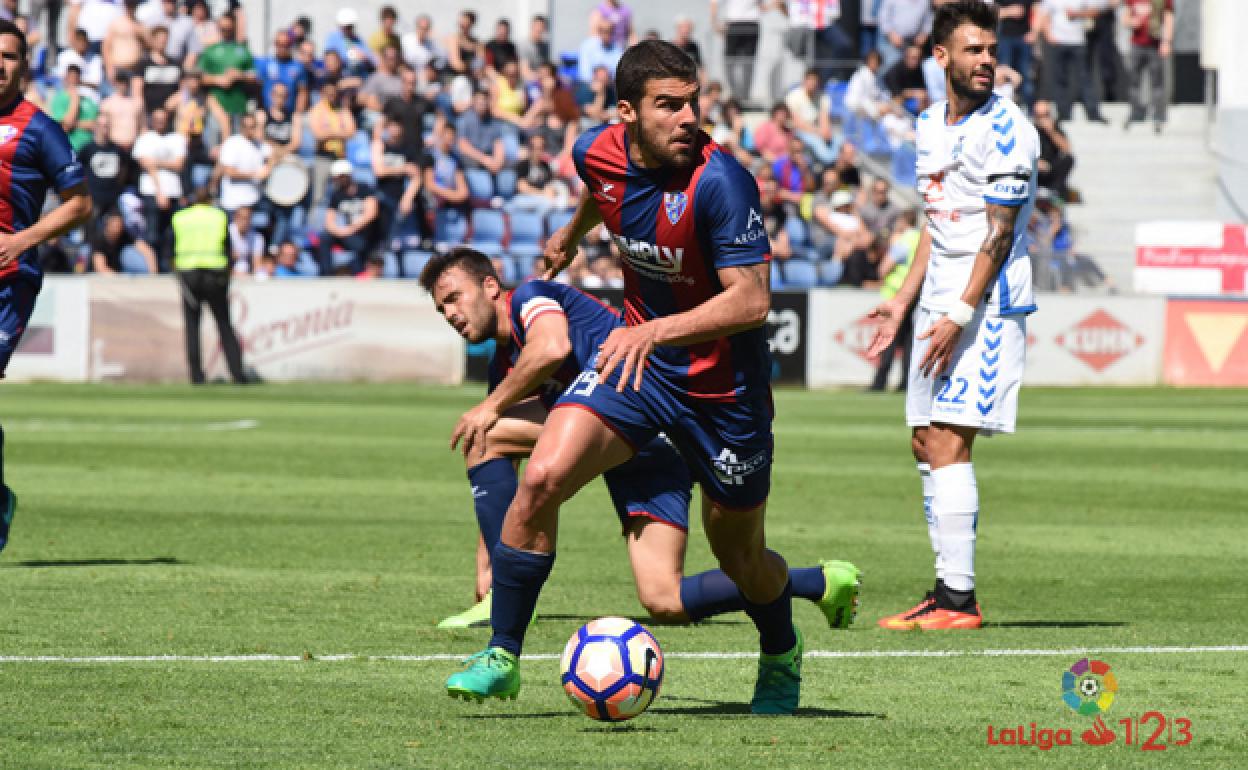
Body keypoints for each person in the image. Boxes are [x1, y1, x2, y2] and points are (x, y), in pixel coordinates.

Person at [446, 41, 806, 715]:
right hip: (640, 369)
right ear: (627, 113)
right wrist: (571, 232)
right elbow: (602, 189)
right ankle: (502, 655)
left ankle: (782, 649)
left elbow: (752, 301)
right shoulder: (595, 150)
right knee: (543, 477)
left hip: (724, 394)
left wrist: (651, 331)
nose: (688, 118)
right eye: (669, 105)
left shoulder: (722, 182)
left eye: (693, 102)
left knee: (742, 559)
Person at [425, 246, 862, 634]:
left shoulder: (531, 296)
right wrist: (486, 571)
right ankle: (819, 582)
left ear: (490, 286)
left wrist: (491, 408)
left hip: (642, 416)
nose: (450, 314)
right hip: (642, 453)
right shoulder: (505, 370)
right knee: (664, 600)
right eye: (442, 309)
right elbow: (504, 489)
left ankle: (505, 603)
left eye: (454, 298)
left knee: (486, 432)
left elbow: (552, 348)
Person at [867, 1, 1040, 631]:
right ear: (940, 56)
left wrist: (961, 312)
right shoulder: (927, 124)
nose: (987, 60)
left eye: (991, 50)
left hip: (984, 304)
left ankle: (959, 600)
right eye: (973, 50)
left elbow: (998, 234)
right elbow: (935, 224)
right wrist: (903, 301)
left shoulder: (1009, 130)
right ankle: (944, 590)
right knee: (924, 440)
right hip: (939, 302)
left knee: (948, 438)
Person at [0, 19, 93, 552]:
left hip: (8, 279)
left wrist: (22, 240)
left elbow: (80, 204)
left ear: (24, 68)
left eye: (9, 56)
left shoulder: (40, 129)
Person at [171, 186, 246, 384]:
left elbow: (170, 246)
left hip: (189, 274)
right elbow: (227, 247)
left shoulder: (180, 218)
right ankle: (237, 374)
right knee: (224, 324)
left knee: (192, 326)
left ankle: (196, 376)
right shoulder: (218, 216)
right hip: (215, 275)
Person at [1035, 0, 1106, 123]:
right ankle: (1063, 113)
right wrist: (1048, 35)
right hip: (1058, 41)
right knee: (1059, 79)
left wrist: (1078, 14)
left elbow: (1095, 11)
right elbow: (1044, 14)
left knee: (1084, 78)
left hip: (1078, 41)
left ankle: (1093, 113)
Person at [318, 159, 379, 275]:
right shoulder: (336, 194)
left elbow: (371, 213)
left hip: (363, 234)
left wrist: (351, 229)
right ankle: (326, 274)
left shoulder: (364, 189)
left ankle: (358, 272)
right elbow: (329, 221)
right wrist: (339, 231)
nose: (337, 180)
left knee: (361, 246)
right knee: (325, 237)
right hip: (346, 233)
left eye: (340, 177)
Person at [1123, 0, 1172, 134]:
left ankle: (1159, 115)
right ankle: (1136, 112)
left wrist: (1166, 41)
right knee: (1134, 81)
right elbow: (1125, 18)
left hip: (1155, 44)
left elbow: (1168, 17)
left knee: (1157, 83)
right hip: (1137, 44)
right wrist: (1132, 22)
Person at [91, 208, 156, 273]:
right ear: (107, 225)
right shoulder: (99, 240)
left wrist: (153, 272)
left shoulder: (124, 235)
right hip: (105, 275)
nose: (117, 228)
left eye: (119, 225)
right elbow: (100, 268)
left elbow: (146, 249)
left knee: (128, 252)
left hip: (122, 271)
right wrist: (119, 278)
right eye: (114, 225)